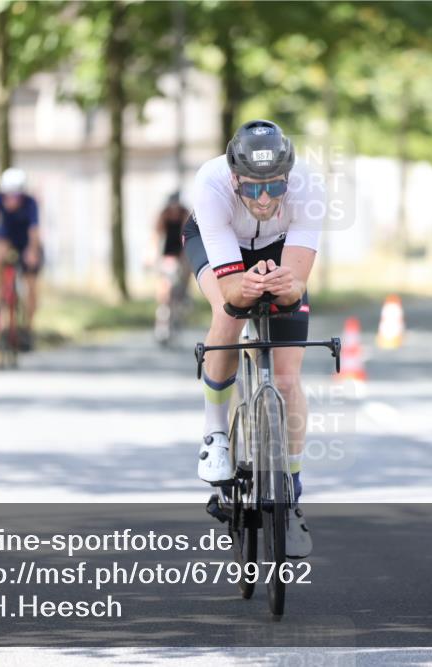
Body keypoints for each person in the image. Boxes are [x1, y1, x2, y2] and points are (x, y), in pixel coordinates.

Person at [183, 119, 324, 559]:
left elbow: (296, 283)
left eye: (275, 188)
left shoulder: (309, 186)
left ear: (288, 178)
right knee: (228, 312)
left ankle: (292, 493)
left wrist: (287, 286)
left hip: (278, 250)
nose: (264, 199)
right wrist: (241, 290)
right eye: (253, 188)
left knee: (286, 379)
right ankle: (215, 435)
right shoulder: (211, 185)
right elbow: (229, 289)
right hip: (219, 244)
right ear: (234, 178)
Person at [0, 167, 42, 351]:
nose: (11, 200)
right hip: (6, 239)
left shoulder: (30, 203)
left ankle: (28, 327)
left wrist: (32, 251)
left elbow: (34, 231)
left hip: (26, 241)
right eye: (8, 195)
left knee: (31, 285)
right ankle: (1, 296)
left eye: (16, 196)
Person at [153, 192, 191, 344]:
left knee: (181, 288)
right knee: (165, 291)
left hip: (181, 255)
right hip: (166, 256)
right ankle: (162, 325)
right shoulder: (163, 215)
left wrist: (185, 258)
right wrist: (152, 256)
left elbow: (187, 236)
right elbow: (156, 236)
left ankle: (183, 301)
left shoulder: (184, 214)